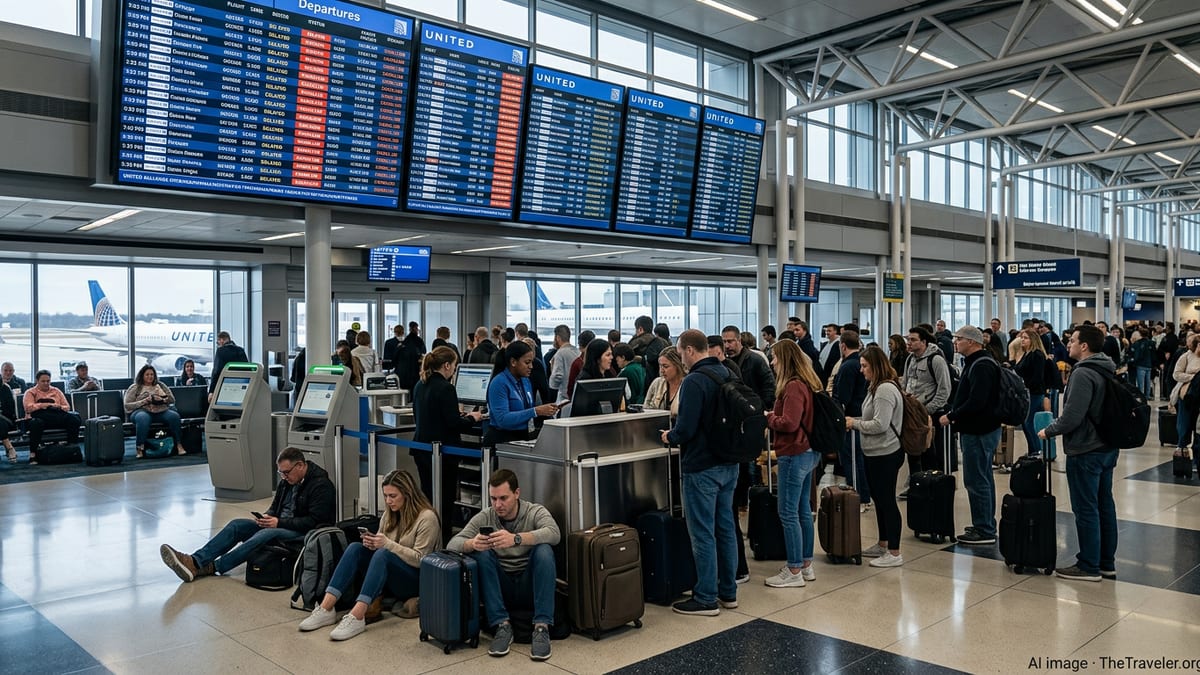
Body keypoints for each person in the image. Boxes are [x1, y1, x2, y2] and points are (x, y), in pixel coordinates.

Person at [298, 469, 439, 640]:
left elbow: (421, 559)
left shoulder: (427, 518)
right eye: (386, 496)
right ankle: (326, 607)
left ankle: (357, 615)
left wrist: (387, 544)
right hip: (390, 573)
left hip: (415, 579)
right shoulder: (389, 514)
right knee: (355, 549)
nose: (388, 501)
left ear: (407, 494)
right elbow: (383, 546)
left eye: (393, 496)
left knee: (383, 555)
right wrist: (373, 544)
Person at [159, 447, 336, 582]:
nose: (283, 476)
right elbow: (275, 507)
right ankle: (195, 561)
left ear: (299, 465)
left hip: (302, 531)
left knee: (268, 532)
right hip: (280, 524)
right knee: (238, 525)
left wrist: (279, 523)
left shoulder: (321, 485)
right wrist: (266, 517)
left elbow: (315, 521)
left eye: (286, 472)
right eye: (280, 472)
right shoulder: (287, 481)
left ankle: (212, 567)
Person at [660, 329, 739, 617]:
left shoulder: (695, 380)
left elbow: (687, 428)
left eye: (680, 353)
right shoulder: (728, 372)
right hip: (730, 463)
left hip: (702, 467)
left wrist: (671, 436)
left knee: (703, 533)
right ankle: (728, 592)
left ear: (690, 350)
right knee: (726, 528)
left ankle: (706, 597)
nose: (680, 358)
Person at [448, 469, 560, 662]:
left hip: (529, 583)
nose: (497, 504)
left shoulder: (534, 511)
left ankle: (541, 627)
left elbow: (554, 533)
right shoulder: (486, 516)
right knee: (480, 553)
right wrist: (471, 544)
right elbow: (452, 544)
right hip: (501, 586)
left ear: (517, 493)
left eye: (503, 498)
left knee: (544, 550)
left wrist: (516, 539)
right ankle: (502, 625)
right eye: (493, 498)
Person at [1038, 325, 1119, 582]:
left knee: (1086, 508)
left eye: (1072, 340)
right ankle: (1106, 562)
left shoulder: (1083, 373)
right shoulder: (1107, 367)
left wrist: (1048, 431)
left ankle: (1088, 565)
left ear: (1084, 346)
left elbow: (1072, 416)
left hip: (1086, 448)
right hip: (1107, 445)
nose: (1069, 344)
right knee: (1104, 505)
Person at [762, 339, 821, 588]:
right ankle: (805, 564)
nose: (772, 362)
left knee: (787, 512)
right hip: (808, 451)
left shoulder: (793, 386)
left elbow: (789, 422)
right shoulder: (807, 383)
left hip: (794, 452)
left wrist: (769, 418)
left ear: (784, 359)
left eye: (774, 358)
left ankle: (794, 568)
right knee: (802, 511)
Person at [938, 325, 1002, 546]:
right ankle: (985, 524)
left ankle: (984, 529)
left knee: (977, 480)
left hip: (979, 430)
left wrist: (952, 415)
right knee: (982, 478)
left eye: (959, 339)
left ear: (972, 342)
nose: (955, 342)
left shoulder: (982, 365)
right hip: (980, 429)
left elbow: (977, 401)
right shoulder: (976, 362)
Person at [845, 345, 906, 568]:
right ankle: (883, 543)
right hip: (874, 451)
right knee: (879, 500)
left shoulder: (884, 390)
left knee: (887, 500)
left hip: (885, 452)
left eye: (864, 366)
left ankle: (894, 551)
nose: (861, 370)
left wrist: (855, 423)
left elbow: (880, 424)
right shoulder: (875, 387)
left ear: (876, 366)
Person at [411, 347, 482, 527]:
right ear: (447, 365)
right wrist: (472, 418)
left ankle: (426, 534)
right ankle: (442, 538)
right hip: (442, 452)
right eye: (455, 366)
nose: (454, 370)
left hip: (421, 448)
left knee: (427, 496)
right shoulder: (446, 388)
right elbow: (453, 424)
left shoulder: (420, 384)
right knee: (445, 499)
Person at [901, 326, 952, 493]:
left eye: (913, 340)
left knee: (931, 454)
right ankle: (916, 485)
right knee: (913, 451)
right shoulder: (910, 359)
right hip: (912, 413)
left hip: (930, 413)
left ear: (924, 342)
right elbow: (906, 383)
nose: (909, 343)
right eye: (908, 339)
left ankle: (932, 487)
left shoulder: (936, 360)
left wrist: (928, 410)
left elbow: (944, 389)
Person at [484, 342, 558, 446]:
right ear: (513, 362)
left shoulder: (525, 381)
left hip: (522, 437)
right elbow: (502, 419)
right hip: (501, 440)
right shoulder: (499, 383)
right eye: (527, 362)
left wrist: (545, 412)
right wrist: (535, 411)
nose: (531, 366)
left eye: (532, 362)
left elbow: (526, 410)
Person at [832, 331, 871, 511]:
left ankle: (859, 497)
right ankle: (862, 495)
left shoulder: (848, 366)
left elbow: (844, 396)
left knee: (853, 460)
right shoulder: (859, 363)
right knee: (857, 459)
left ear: (842, 345)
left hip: (851, 418)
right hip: (859, 415)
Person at [124, 364, 187, 459]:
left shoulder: (161, 385)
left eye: (152, 374)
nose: (150, 377)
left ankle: (178, 444)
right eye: (147, 375)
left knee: (174, 416)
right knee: (143, 418)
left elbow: (172, 399)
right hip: (141, 411)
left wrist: (162, 399)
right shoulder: (135, 387)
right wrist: (144, 401)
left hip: (160, 410)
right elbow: (127, 405)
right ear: (142, 376)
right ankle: (140, 448)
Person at [22, 370, 80, 464]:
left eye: (48, 381)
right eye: (43, 381)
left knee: (74, 419)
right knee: (36, 423)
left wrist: (58, 406)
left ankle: (71, 449)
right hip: (39, 418)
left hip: (55, 416)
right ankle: (33, 454)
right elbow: (28, 408)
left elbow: (67, 407)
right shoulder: (30, 392)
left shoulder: (56, 391)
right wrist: (43, 405)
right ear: (37, 381)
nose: (46, 383)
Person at [1012, 328, 1048, 455]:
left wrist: (1025, 386)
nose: (1022, 339)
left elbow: (1037, 376)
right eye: (1021, 337)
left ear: (1033, 340)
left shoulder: (1036, 354)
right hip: (1026, 392)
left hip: (1034, 392)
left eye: (1026, 338)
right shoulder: (1025, 354)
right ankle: (1032, 450)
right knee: (1026, 423)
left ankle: (1037, 451)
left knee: (1029, 423)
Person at [1171, 334, 1200, 462]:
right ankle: (1182, 448)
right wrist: (1193, 378)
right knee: (1185, 424)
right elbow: (1176, 374)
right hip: (1187, 395)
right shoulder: (1186, 357)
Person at [645, 346, 685, 418]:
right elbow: (645, 409)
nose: (661, 370)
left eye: (665, 366)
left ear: (678, 366)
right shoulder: (656, 383)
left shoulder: (688, 384)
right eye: (660, 366)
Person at [547, 324, 578, 404]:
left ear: (558, 338)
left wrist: (551, 386)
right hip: (575, 394)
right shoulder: (578, 352)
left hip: (564, 397)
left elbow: (557, 376)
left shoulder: (560, 354)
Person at [397, 322, 428, 391]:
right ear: (416, 328)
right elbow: (423, 353)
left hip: (404, 372)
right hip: (415, 370)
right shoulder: (419, 341)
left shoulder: (405, 341)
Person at [1127, 328, 1155, 401]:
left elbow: (1137, 355)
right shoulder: (1151, 342)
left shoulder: (1137, 343)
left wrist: (1133, 361)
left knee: (1141, 383)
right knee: (1148, 382)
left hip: (1141, 365)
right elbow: (1154, 355)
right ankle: (1147, 396)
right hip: (1149, 365)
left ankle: (1141, 396)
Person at [0, 379, 17, 463]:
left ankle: (9, 447)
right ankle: (9, 448)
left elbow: (10, 410)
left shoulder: (5, 389)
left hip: (6, 419)